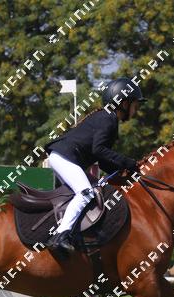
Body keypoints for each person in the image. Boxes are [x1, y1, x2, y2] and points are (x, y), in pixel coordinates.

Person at [43, 77, 145, 254]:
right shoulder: (108, 119)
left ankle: (76, 233)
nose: (136, 110)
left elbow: (102, 159)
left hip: (62, 157)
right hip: (63, 157)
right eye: (135, 105)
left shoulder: (108, 118)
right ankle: (60, 236)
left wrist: (122, 173)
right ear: (124, 103)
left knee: (86, 192)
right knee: (85, 193)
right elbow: (99, 150)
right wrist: (128, 162)